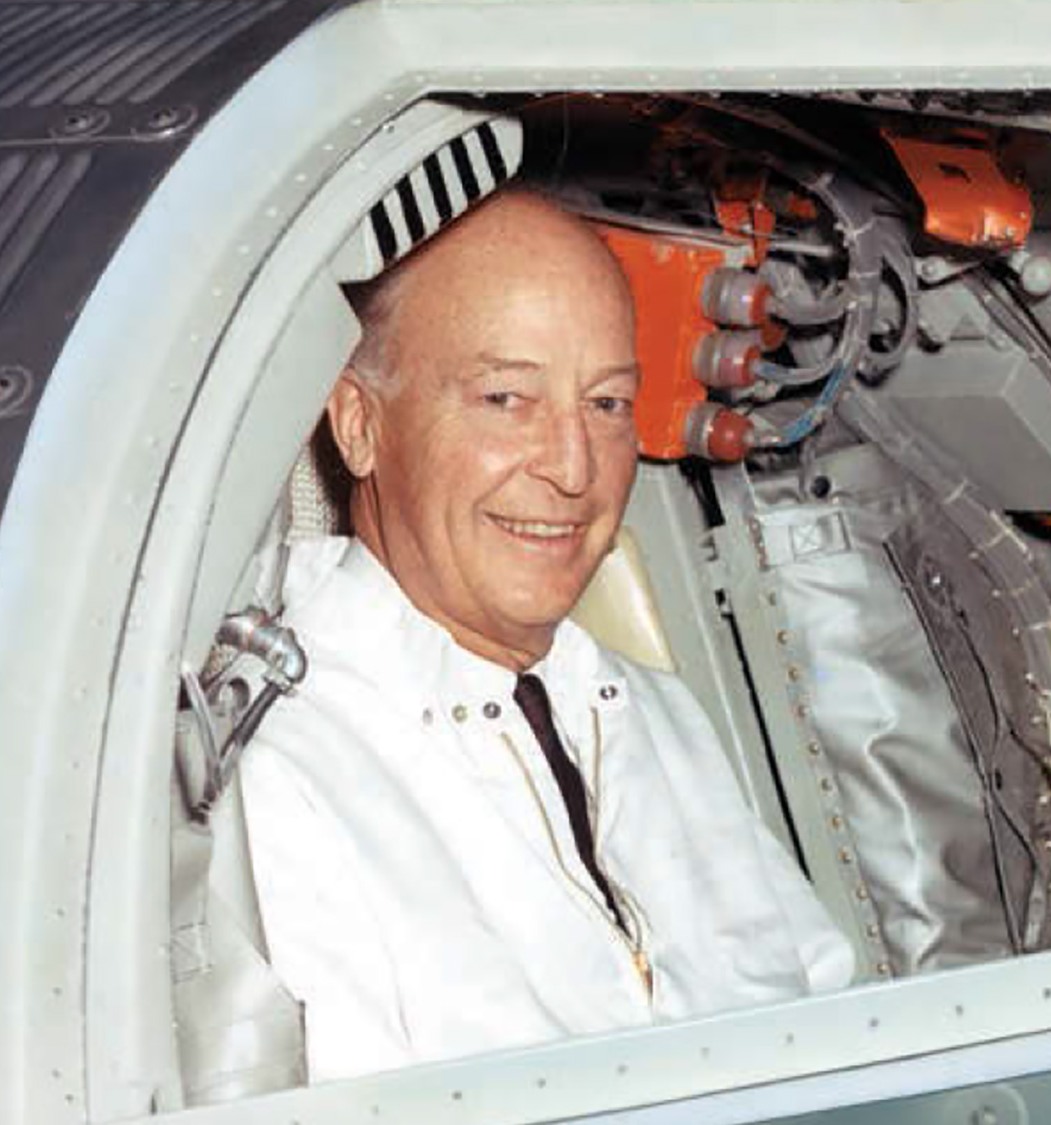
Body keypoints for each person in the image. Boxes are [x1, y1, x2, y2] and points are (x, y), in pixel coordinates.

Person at [239, 190, 854, 1081]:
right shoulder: (284, 765)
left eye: (606, 405)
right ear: (360, 425)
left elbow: (837, 1029)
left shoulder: (655, 711)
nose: (573, 468)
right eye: (505, 397)